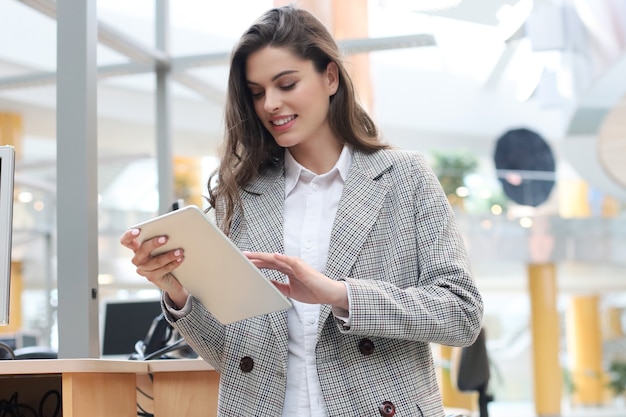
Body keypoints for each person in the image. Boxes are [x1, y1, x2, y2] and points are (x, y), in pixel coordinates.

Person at [120, 5, 483, 417]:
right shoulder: (239, 194)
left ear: (330, 77)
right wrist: (177, 291)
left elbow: (461, 313)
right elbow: (231, 354)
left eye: (286, 84)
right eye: (256, 93)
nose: (270, 104)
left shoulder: (404, 178)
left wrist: (339, 295)